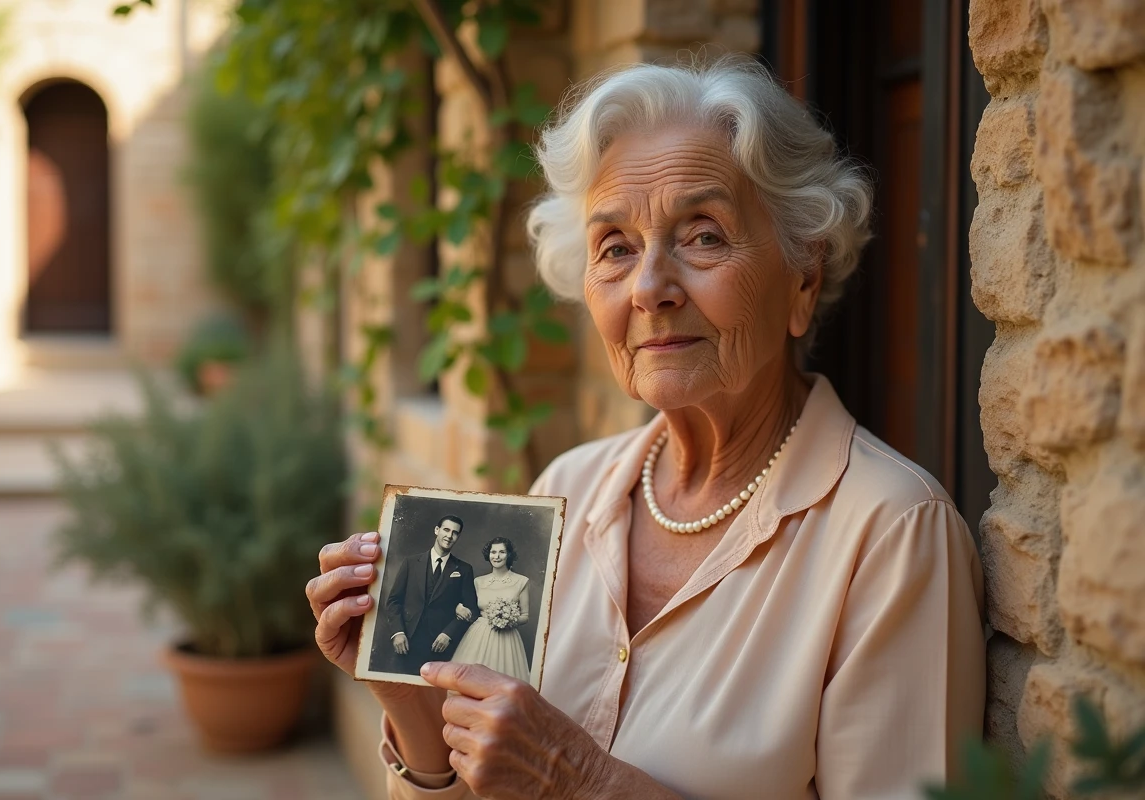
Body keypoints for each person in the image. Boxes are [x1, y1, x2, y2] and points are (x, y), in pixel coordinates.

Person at [307, 58, 986, 799]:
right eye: (617, 248)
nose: (650, 289)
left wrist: (584, 781)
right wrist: (417, 710)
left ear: (804, 273)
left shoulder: (892, 534)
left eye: (702, 236)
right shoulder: (569, 487)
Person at [382, 515, 479, 675]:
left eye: (455, 533)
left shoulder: (464, 569)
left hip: (440, 646)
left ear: (458, 537)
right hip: (407, 641)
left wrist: (449, 634)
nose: (449, 535)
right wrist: (398, 633)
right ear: (437, 530)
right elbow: (393, 601)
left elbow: (472, 610)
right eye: (446, 530)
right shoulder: (411, 563)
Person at [449, 537, 532, 683]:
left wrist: (509, 620)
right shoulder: (478, 582)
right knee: (470, 682)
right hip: (479, 635)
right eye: (493, 552)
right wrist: (458, 607)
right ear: (488, 554)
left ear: (509, 555)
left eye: (502, 552)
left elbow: (525, 616)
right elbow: (471, 610)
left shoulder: (521, 581)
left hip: (507, 637)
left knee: (502, 684)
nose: (497, 556)